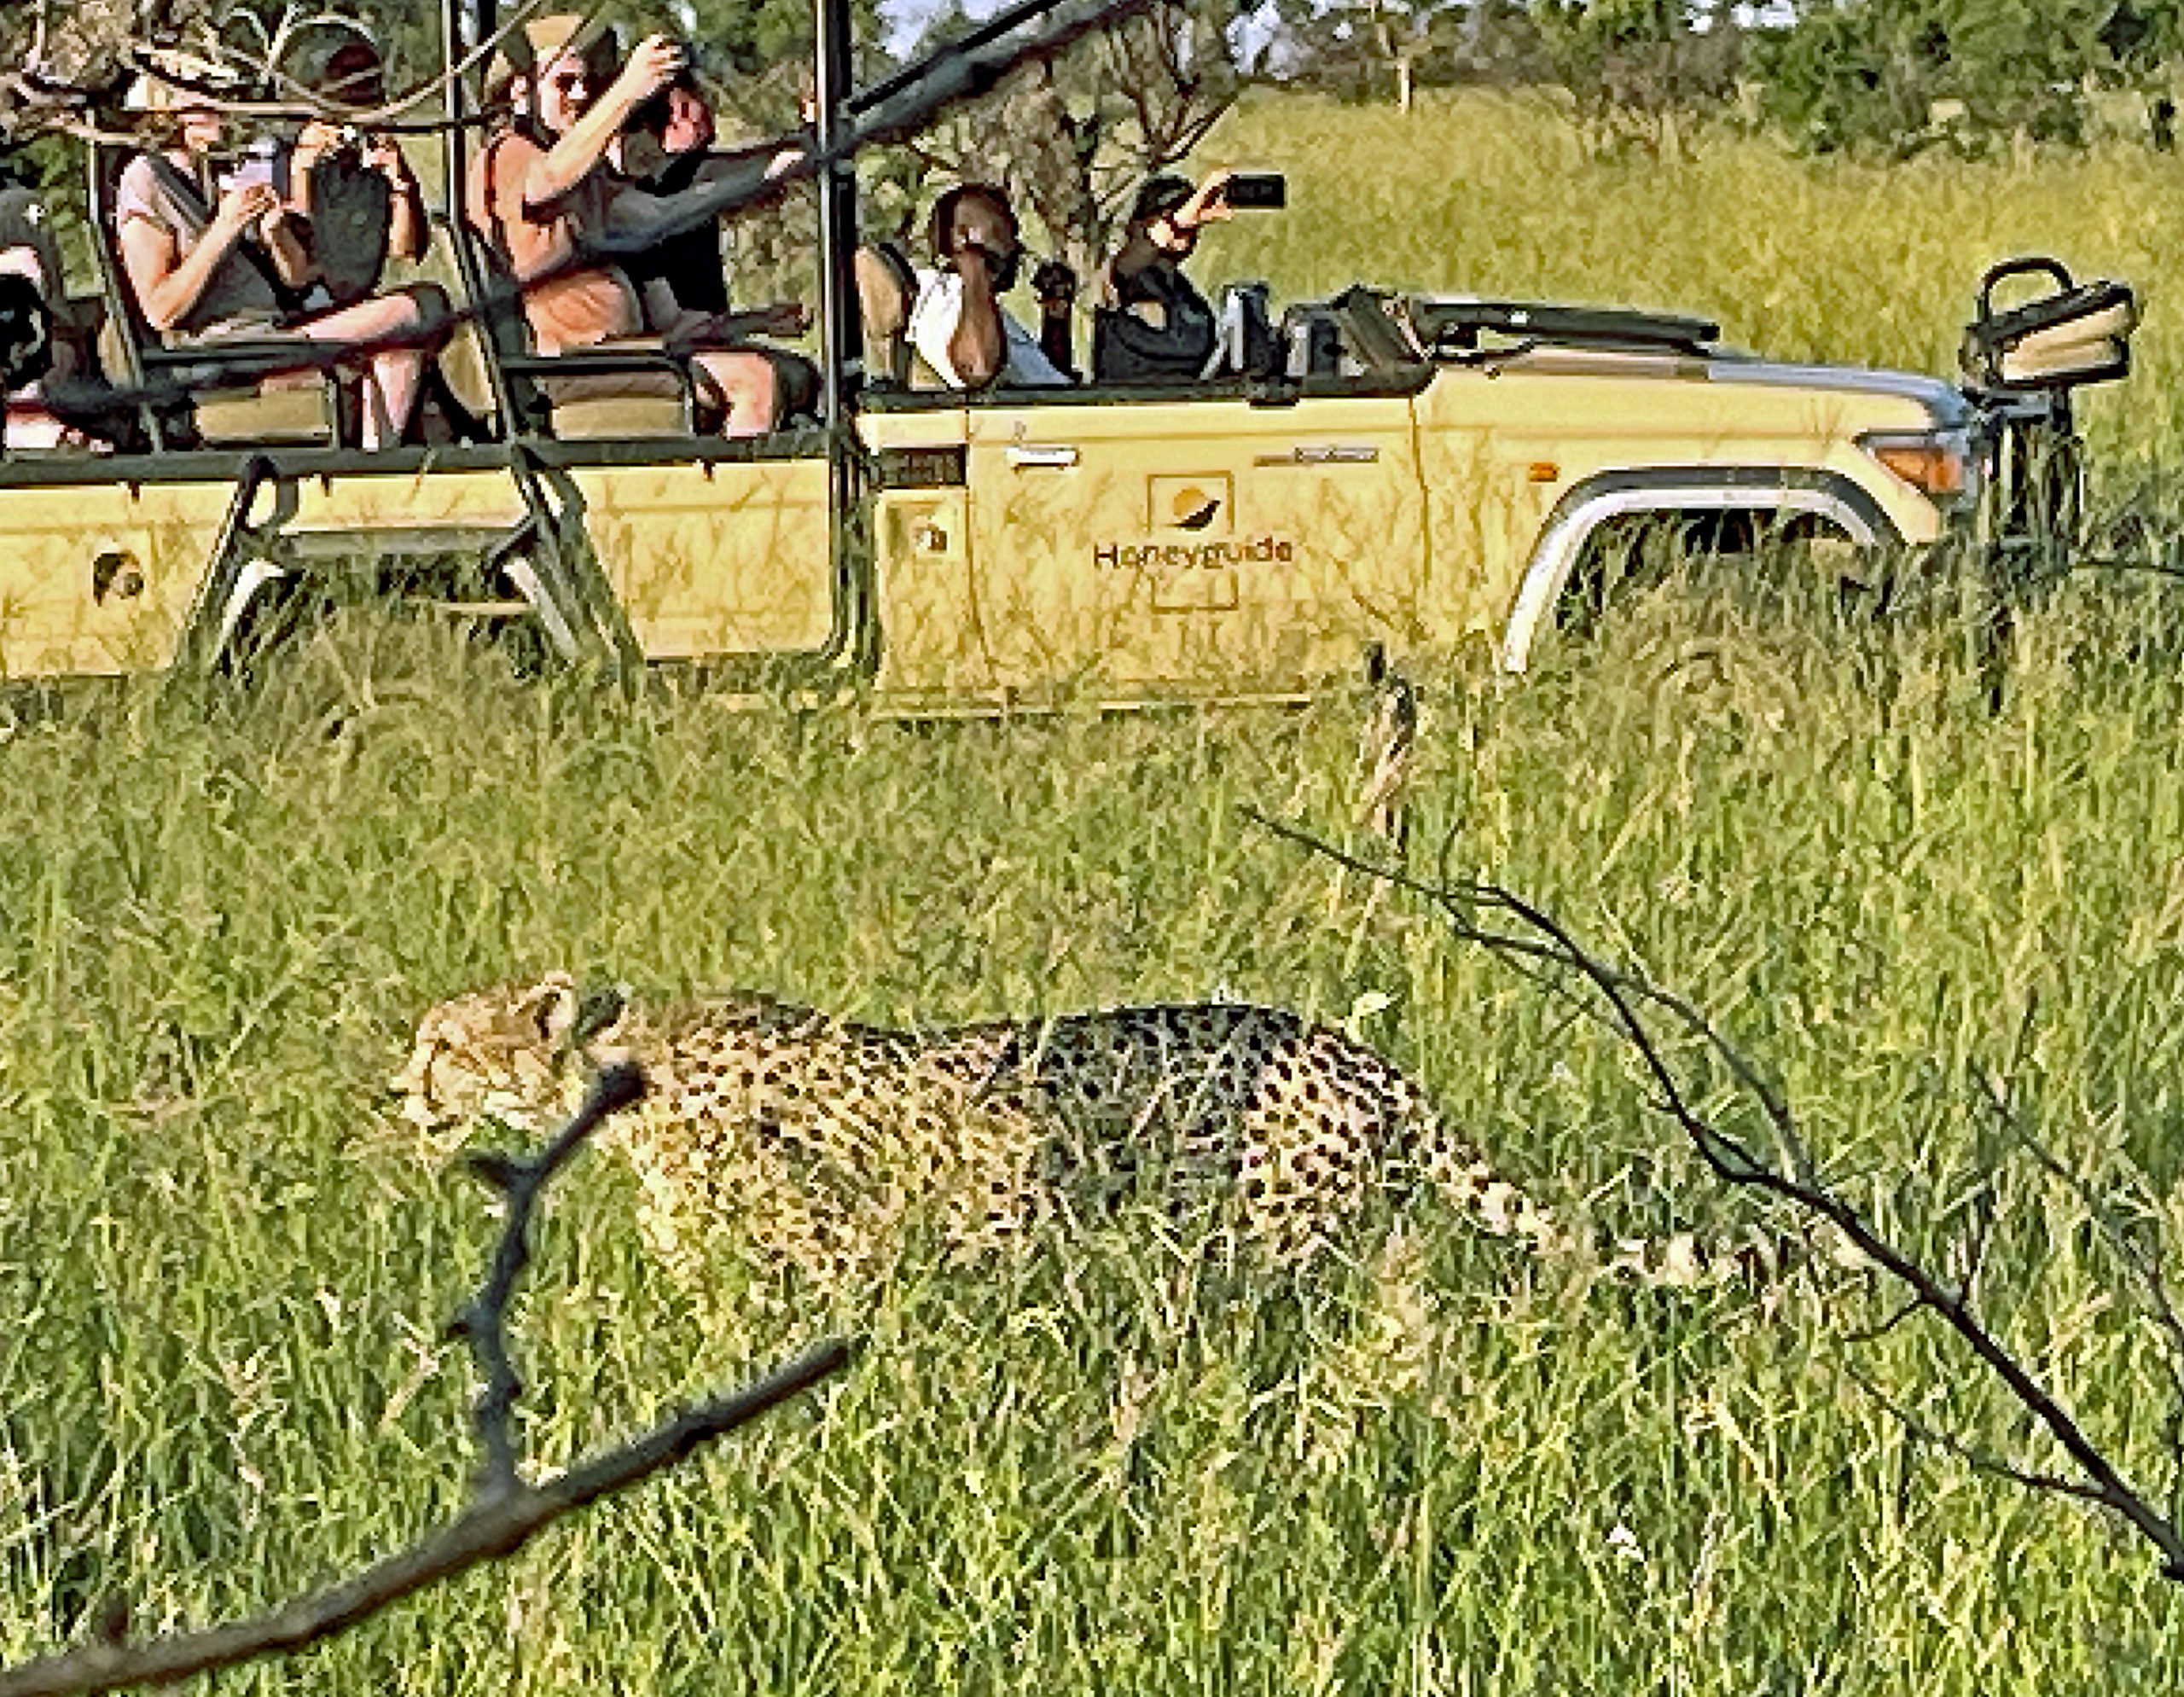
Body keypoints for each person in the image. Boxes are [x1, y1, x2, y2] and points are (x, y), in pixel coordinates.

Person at [468, 16, 799, 436]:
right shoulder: (509, 154)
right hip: (571, 364)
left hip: (622, 353)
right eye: (564, 84)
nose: (581, 95)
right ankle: (746, 480)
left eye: (586, 84)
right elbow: (545, 181)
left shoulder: (586, 179)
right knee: (756, 380)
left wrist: (770, 173)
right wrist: (628, 90)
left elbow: (663, 212)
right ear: (521, 90)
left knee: (774, 371)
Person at [113, 57, 450, 449]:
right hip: (226, 354)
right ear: (169, 112)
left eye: (224, 95)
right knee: (419, 307)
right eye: (207, 97)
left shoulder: (220, 171)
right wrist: (225, 227)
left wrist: (276, 231)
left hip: (272, 334)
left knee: (400, 356)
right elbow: (160, 309)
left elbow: (298, 279)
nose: (223, 106)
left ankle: (372, 475)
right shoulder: (145, 179)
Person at [614, 67, 813, 410]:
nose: (709, 111)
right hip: (666, 356)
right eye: (700, 101)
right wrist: (812, 136)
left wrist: (761, 320)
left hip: (689, 343)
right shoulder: (678, 182)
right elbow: (674, 327)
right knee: (767, 379)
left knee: (802, 377)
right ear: (680, 111)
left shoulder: (667, 191)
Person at [905, 183, 1071, 390]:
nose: (1015, 246)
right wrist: (973, 264)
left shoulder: (980, 306)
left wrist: (1056, 314)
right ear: (965, 236)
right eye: (1002, 233)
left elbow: (1048, 380)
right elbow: (978, 368)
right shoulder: (942, 298)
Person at [1092, 171, 1229, 385]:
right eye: (1165, 213)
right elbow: (1126, 265)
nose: (1189, 222)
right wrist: (1176, 223)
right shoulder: (1121, 277)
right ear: (1135, 226)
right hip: (1128, 400)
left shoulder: (1186, 295)